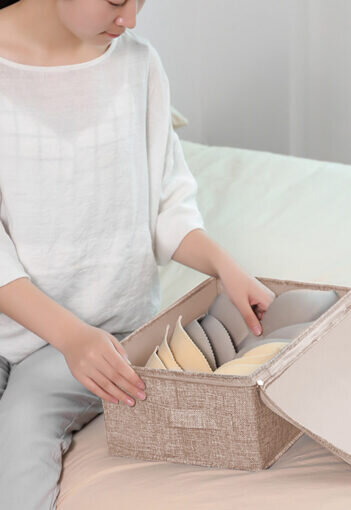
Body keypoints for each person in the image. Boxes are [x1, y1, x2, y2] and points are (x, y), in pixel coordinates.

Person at [0, 1, 275, 508]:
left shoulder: (137, 64)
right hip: (23, 332)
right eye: (115, 0)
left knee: (20, 425)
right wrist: (69, 336)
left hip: (110, 337)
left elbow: (168, 205)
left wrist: (225, 269)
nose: (130, 19)